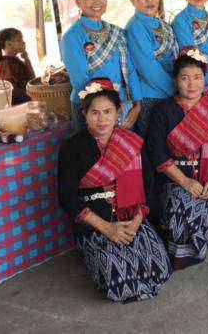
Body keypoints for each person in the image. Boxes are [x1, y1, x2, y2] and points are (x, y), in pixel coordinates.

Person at [57, 79, 171, 302]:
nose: (102, 120)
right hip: (95, 222)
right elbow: (67, 197)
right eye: (95, 113)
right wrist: (107, 228)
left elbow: (148, 186)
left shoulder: (133, 142)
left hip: (131, 217)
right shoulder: (72, 147)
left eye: (108, 112)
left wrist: (137, 221)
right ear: (84, 114)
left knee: (159, 269)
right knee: (118, 279)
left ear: (118, 112)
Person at [144, 48, 208, 269]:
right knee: (182, 208)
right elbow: (157, 153)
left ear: (205, 79)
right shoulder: (163, 111)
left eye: (197, 77)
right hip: (175, 181)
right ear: (175, 80)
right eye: (185, 78)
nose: (191, 84)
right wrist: (185, 182)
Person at [61, 0, 143, 130]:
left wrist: (137, 103)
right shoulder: (72, 37)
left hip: (123, 105)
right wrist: (109, 109)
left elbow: (130, 69)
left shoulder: (117, 32)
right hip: (90, 109)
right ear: (77, 0)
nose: (97, 1)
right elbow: (81, 81)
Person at [125, 0, 178, 136]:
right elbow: (148, 68)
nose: (149, 0)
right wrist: (176, 91)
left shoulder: (161, 24)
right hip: (152, 96)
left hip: (169, 91)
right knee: (154, 143)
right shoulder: (135, 26)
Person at [0, 28, 35, 104]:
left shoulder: (15, 61)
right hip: (17, 105)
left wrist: (26, 58)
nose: (23, 42)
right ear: (8, 44)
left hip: (24, 101)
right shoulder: (6, 64)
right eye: (19, 40)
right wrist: (29, 97)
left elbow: (32, 79)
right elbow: (10, 90)